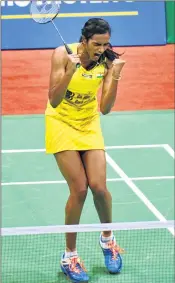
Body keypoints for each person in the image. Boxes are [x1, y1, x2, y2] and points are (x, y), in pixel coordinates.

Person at [45, 18, 125, 282]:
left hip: (89, 122)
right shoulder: (61, 54)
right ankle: (70, 256)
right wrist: (71, 70)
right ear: (84, 40)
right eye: (96, 44)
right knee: (79, 189)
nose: (101, 49)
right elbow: (54, 101)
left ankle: (108, 240)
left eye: (105, 44)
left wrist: (115, 74)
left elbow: (105, 108)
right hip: (61, 122)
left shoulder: (107, 59)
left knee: (100, 188)